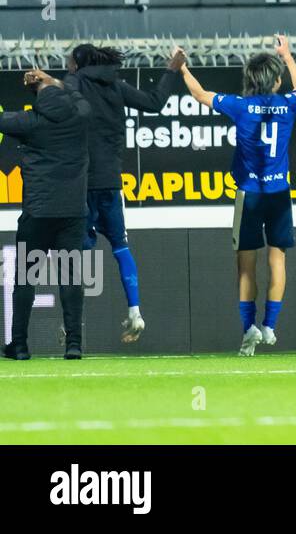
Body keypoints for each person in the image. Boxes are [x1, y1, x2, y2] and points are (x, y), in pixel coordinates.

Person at [179, 35, 296, 355]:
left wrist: (182, 69)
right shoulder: (288, 104)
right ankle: (270, 326)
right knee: (277, 260)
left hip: (249, 194)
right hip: (279, 194)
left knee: (245, 265)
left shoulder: (240, 105)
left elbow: (199, 93)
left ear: (250, 80)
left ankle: (248, 328)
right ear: (276, 80)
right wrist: (288, 55)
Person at [62, 44, 185, 344]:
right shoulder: (117, 86)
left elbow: (57, 96)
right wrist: (171, 71)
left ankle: (73, 325)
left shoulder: (74, 83)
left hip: (81, 184)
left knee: (76, 254)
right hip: (111, 184)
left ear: (78, 63)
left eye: (69, 61)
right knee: (120, 246)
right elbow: (156, 102)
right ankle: (135, 311)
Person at [1, 69, 91, 361]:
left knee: (25, 280)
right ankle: (74, 344)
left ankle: (21, 346)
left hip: (37, 214)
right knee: (71, 279)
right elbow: (80, 97)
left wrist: (40, 88)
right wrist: (54, 81)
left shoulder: (30, 122)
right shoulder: (80, 116)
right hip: (72, 213)